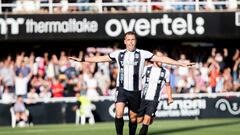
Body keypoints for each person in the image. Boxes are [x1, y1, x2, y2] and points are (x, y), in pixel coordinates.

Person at [69, 31, 194, 135]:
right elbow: (101, 58)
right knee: (118, 113)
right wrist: (82, 60)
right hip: (122, 89)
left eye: (132, 39)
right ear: (124, 41)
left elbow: (162, 59)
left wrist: (181, 63)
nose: (130, 42)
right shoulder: (119, 54)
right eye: (128, 39)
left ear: (135, 41)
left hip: (136, 91)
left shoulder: (142, 54)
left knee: (133, 119)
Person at [137, 50, 173, 135]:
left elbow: (168, 85)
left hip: (154, 100)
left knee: (146, 121)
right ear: (154, 58)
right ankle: (152, 116)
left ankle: (150, 117)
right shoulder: (146, 69)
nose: (161, 60)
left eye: (162, 58)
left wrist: (170, 97)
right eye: (159, 57)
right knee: (139, 120)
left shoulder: (166, 72)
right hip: (143, 98)